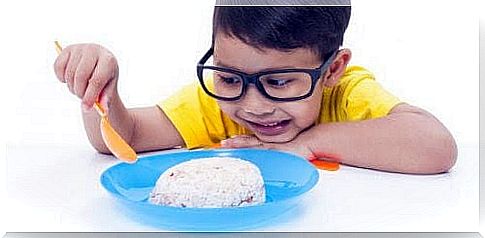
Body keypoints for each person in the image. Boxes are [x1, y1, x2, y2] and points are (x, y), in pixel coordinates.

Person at [53, 6, 457, 174]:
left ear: (332, 69)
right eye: (229, 77)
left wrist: (310, 142)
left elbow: (437, 147)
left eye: (279, 82)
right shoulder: (221, 103)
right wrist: (102, 94)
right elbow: (126, 139)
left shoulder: (346, 95)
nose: (252, 105)